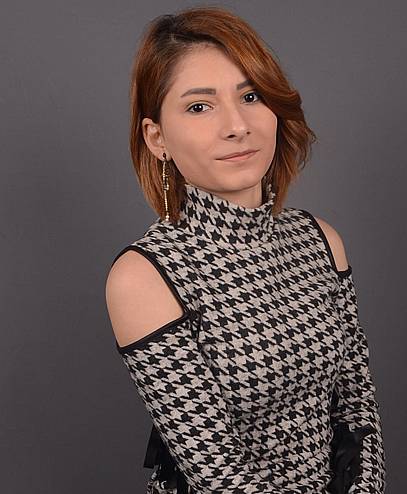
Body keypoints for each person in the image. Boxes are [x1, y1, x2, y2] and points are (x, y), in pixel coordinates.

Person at [105, 6, 386, 494]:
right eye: (199, 106)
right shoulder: (145, 276)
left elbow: (359, 410)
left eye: (251, 96)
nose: (237, 125)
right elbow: (216, 472)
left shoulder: (319, 239)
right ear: (157, 138)